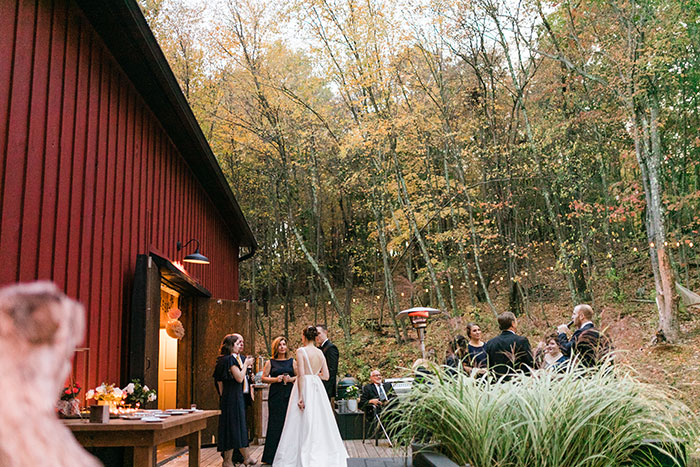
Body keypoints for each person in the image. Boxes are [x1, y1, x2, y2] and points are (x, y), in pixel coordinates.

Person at [273, 326, 349, 466]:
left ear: (304, 337)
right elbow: (326, 376)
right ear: (315, 337)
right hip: (317, 386)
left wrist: (301, 396)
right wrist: (315, 376)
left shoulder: (301, 351)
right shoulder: (320, 353)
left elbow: (301, 375)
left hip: (305, 386)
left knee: (298, 419)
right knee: (319, 419)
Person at [213, 333, 256, 466]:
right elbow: (239, 377)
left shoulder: (229, 359)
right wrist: (246, 364)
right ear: (231, 345)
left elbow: (220, 382)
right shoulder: (229, 360)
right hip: (233, 397)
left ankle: (244, 457)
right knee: (233, 427)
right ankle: (227, 460)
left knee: (237, 427)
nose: (240, 345)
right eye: (237, 343)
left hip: (232, 396)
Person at [260, 336, 297, 465]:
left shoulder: (292, 361)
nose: (282, 347)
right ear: (276, 347)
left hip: (289, 393)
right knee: (275, 423)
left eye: (284, 344)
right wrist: (276, 379)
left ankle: (288, 454)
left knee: (289, 422)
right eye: (280, 345)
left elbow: (299, 376)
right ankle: (270, 456)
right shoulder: (270, 362)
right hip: (275, 394)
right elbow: (263, 378)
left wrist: (290, 379)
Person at [484, 312, 534, 381]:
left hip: (498, 383)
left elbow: (488, 365)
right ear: (513, 323)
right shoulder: (521, 341)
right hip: (518, 382)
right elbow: (530, 363)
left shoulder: (491, 343)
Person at [359, 369, 395, 443]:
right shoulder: (368, 388)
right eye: (376, 375)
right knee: (388, 414)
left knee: (400, 414)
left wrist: (389, 401)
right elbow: (362, 402)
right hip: (377, 409)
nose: (379, 377)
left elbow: (395, 397)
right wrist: (371, 401)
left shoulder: (388, 385)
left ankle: (400, 438)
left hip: (390, 407)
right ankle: (391, 439)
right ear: (371, 378)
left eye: (380, 375)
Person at [315, 324, 339, 400]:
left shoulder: (331, 348)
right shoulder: (318, 348)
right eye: (315, 334)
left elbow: (332, 370)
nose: (317, 336)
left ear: (325, 332)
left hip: (326, 386)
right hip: (318, 384)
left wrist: (325, 388)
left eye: (319, 333)